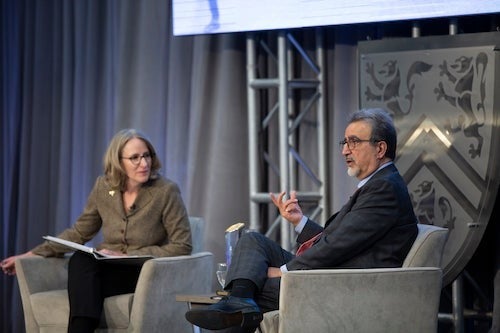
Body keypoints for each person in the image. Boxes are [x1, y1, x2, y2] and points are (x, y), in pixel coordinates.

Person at [185, 108, 418, 331]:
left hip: (348, 285)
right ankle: (240, 301)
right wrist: (300, 222)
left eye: (354, 142)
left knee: (252, 290)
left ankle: (239, 302)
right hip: (333, 272)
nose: (345, 150)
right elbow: (338, 239)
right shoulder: (379, 184)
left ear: (380, 149)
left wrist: (286, 270)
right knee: (253, 241)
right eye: (345, 142)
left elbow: (339, 246)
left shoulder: (384, 189)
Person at [1, 129, 192, 333]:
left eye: (147, 155)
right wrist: (29, 255)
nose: (144, 163)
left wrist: (127, 255)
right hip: (105, 269)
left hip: (141, 272)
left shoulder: (166, 191)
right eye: (135, 158)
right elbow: (79, 232)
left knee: (86, 283)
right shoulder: (104, 186)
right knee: (81, 260)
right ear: (118, 161)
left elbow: (183, 245)